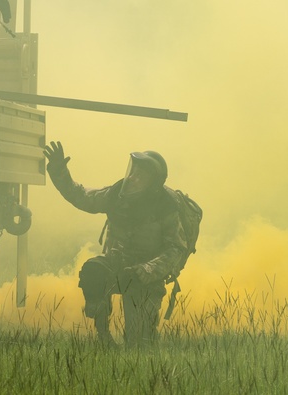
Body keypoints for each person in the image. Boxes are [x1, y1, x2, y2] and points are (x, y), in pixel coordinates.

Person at [43, 141, 187, 347]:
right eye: (133, 171)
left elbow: (175, 250)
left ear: (153, 184)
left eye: (141, 175)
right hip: (117, 263)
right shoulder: (116, 194)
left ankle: (141, 348)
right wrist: (59, 170)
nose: (132, 178)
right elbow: (81, 196)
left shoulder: (165, 207)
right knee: (94, 271)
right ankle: (103, 339)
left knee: (138, 342)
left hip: (146, 276)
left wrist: (145, 270)